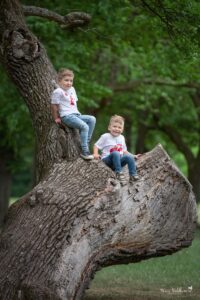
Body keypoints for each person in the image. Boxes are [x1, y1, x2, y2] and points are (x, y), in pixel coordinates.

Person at [51, 68, 96, 160]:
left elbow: (72, 103)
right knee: (84, 127)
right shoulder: (57, 92)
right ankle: (85, 152)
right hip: (66, 116)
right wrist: (56, 118)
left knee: (92, 119)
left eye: (71, 81)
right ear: (59, 81)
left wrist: (78, 116)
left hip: (76, 115)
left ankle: (85, 143)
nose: (69, 83)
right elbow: (54, 106)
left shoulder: (72, 89)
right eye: (66, 80)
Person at [93, 115, 140, 185]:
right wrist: (95, 154)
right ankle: (118, 173)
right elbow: (96, 145)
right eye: (114, 126)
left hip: (118, 162)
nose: (117, 129)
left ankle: (133, 175)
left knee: (129, 157)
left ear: (122, 129)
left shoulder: (122, 138)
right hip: (107, 161)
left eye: (119, 127)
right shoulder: (105, 136)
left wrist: (133, 156)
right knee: (115, 153)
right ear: (109, 127)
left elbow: (124, 151)